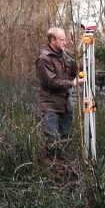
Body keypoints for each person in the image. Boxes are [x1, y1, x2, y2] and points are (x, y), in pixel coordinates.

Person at [36, 27, 81, 158]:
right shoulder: (44, 59)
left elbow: (76, 71)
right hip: (49, 107)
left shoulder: (66, 55)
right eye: (62, 39)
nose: (65, 42)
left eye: (65, 39)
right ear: (53, 40)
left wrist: (87, 66)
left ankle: (66, 171)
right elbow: (51, 82)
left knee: (66, 141)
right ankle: (52, 172)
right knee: (52, 143)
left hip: (65, 107)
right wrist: (71, 83)